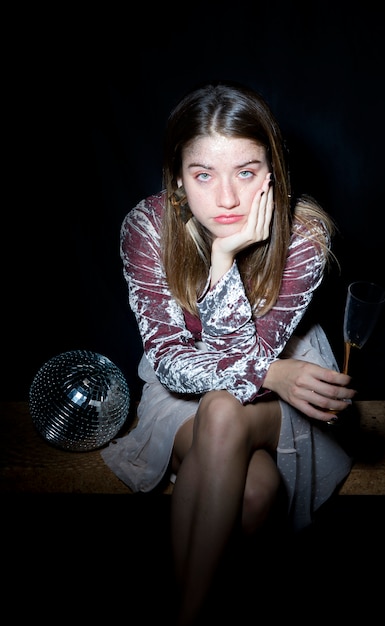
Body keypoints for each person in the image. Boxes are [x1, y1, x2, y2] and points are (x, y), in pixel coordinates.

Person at [101, 80, 356, 624]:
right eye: (202, 174)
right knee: (256, 493)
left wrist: (271, 368)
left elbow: (246, 372)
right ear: (176, 180)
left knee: (226, 409)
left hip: (284, 403)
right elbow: (172, 359)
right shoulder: (147, 227)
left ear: (274, 173)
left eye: (246, 171)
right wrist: (222, 262)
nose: (228, 199)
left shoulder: (305, 233)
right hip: (188, 395)